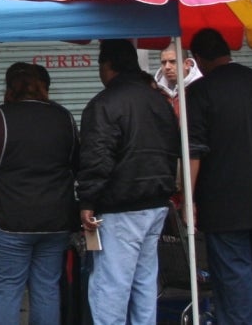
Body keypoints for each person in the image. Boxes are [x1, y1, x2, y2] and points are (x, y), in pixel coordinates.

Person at [186, 28, 252, 325]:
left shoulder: (200, 92)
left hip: (224, 205)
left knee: (233, 279)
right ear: (227, 50)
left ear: (196, 58)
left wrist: (188, 199)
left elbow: (193, 151)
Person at [77, 40, 181, 325]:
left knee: (111, 286)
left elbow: (97, 158)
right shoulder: (159, 100)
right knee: (144, 285)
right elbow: (174, 148)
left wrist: (87, 201)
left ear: (108, 65)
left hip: (120, 207)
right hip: (157, 203)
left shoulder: (105, 103)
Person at [0, 63, 79, 325]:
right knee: (47, 288)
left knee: (7, 290)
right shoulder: (62, 116)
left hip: (10, 218)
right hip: (56, 218)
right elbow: (77, 160)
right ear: (42, 86)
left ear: (10, 88)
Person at [154, 43, 202, 111]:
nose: (167, 67)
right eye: (164, 62)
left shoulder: (201, 88)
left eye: (172, 62)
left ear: (187, 64)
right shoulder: (155, 90)